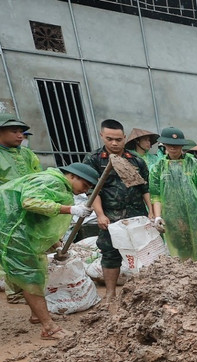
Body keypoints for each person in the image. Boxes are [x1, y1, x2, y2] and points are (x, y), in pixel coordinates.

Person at [0, 163, 96, 339]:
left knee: (34, 274)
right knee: (30, 277)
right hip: (12, 234)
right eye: (85, 185)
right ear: (72, 176)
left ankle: (37, 315)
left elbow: (41, 223)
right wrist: (70, 209)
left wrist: (57, 245)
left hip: (20, 233)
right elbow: (30, 202)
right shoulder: (51, 181)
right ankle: (49, 328)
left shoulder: (60, 186)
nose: (85, 190)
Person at [81, 119, 151, 303]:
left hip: (136, 214)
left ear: (124, 138)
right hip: (110, 216)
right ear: (102, 136)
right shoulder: (94, 159)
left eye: (118, 139)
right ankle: (110, 293)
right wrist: (100, 215)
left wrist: (151, 212)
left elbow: (145, 189)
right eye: (109, 139)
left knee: (143, 252)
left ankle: (145, 292)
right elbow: (93, 191)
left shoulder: (135, 160)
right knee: (110, 253)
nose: (114, 143)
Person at [149, 127, 197, 261]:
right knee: (181, 248)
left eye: (177, 145)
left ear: (182, 145)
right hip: (173, 217)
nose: (173, 148)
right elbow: (155, 195)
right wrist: (158, 216)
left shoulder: (195, 165)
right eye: (170, 144)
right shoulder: (158, 168)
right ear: (164, 145)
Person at [0, 113, 42, 186]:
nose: (20, 136)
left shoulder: (27, 152)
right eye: (14, 132)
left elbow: (39, 174)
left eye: (21, 132)